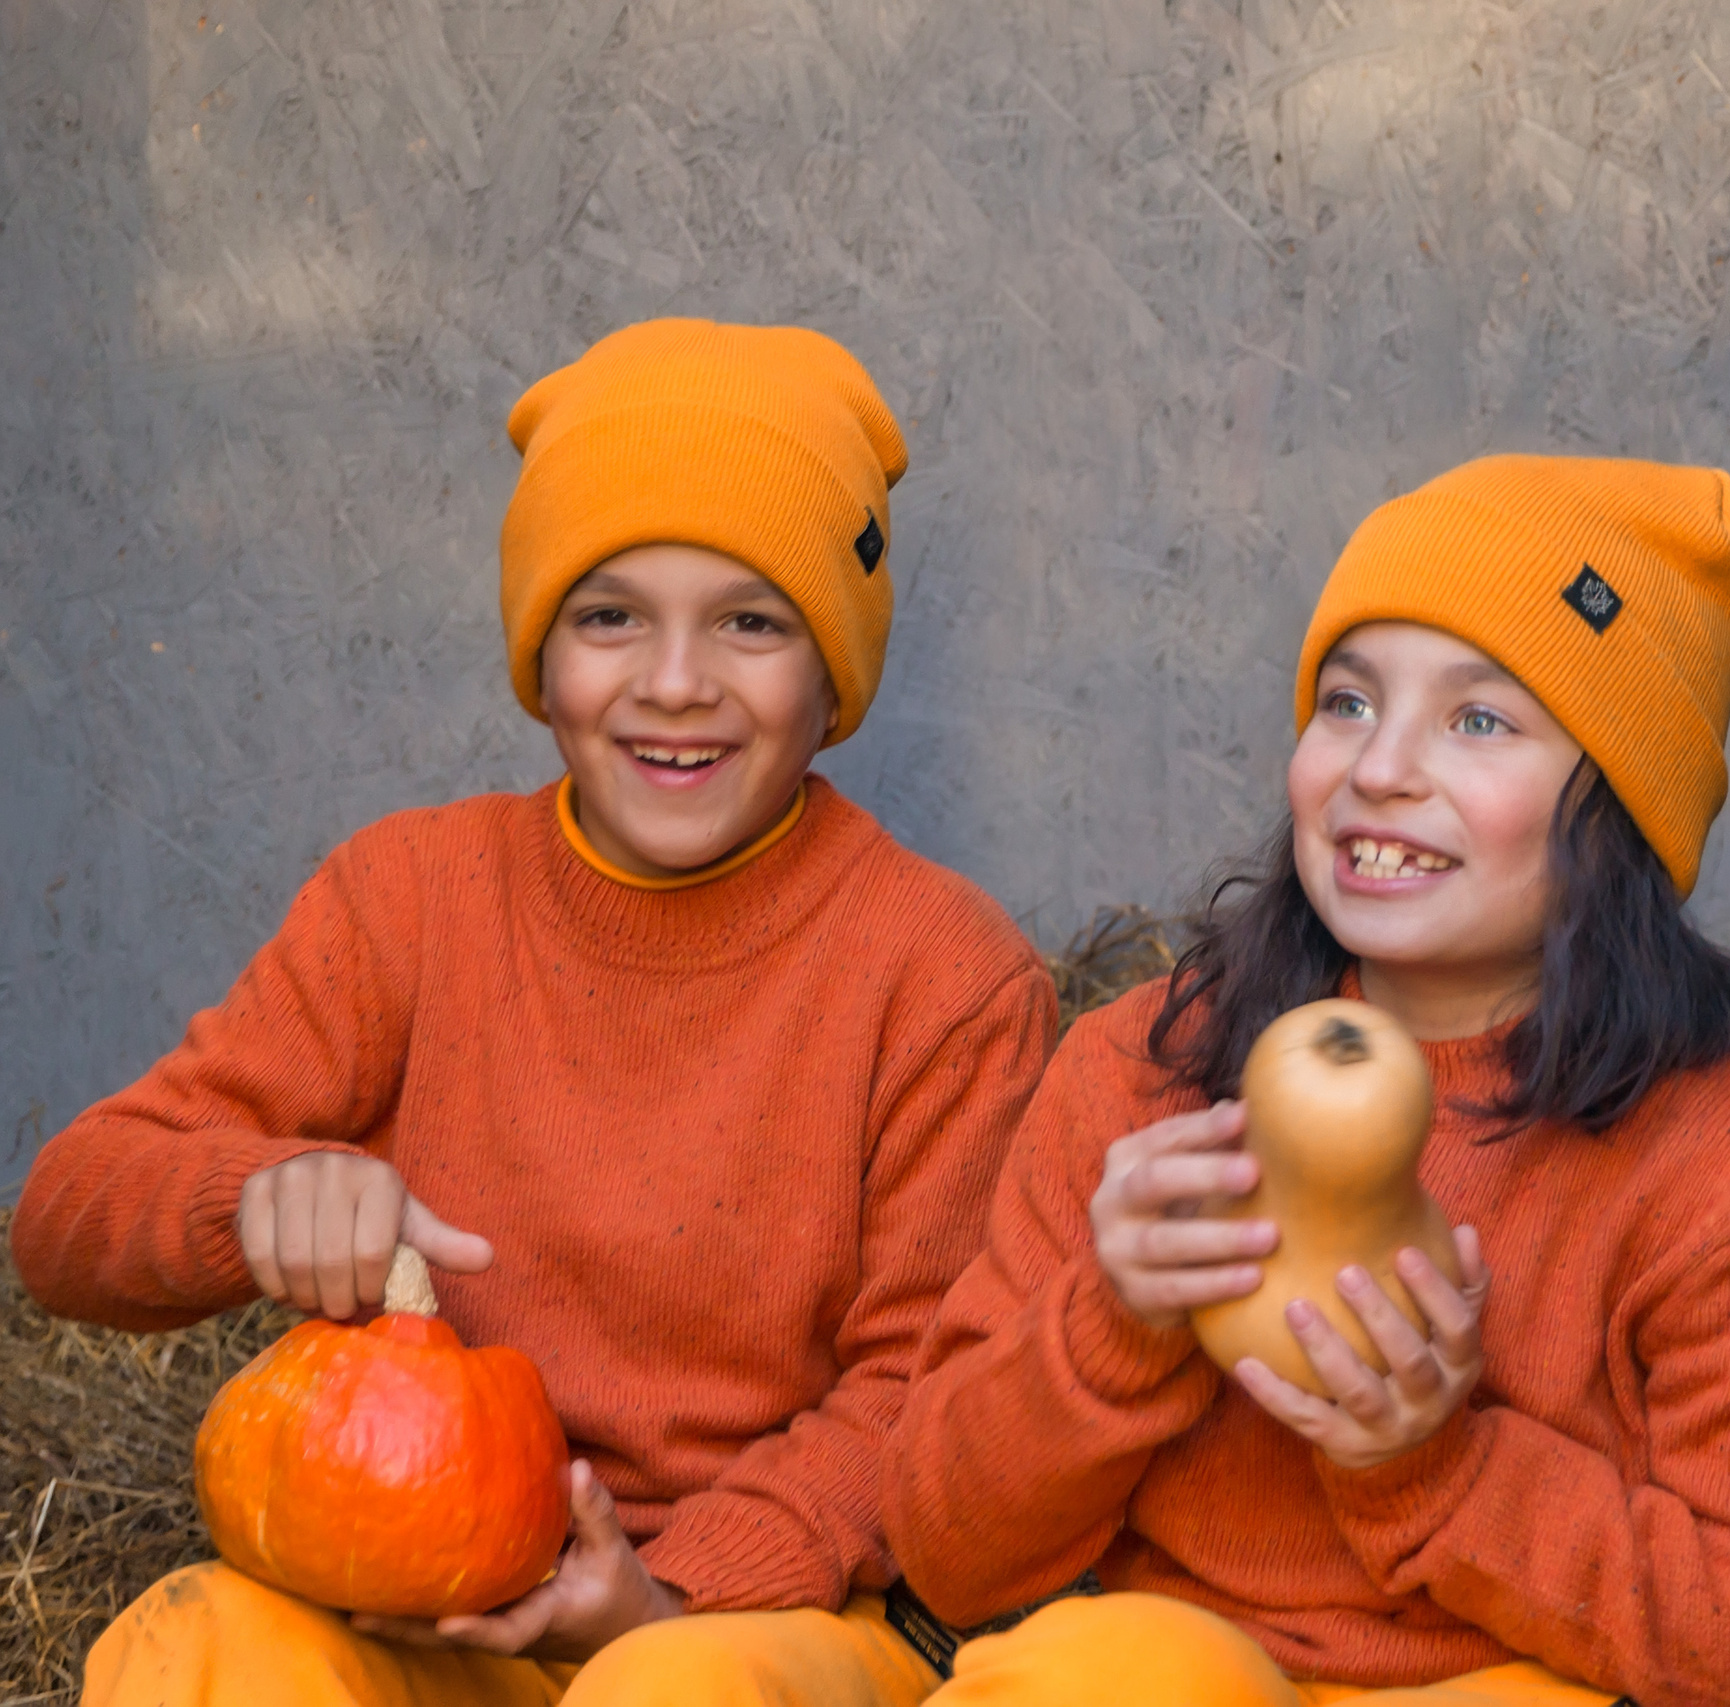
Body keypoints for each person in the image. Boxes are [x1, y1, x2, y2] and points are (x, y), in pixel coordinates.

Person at [9, 319, 1056, 1707]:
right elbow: (66, 1220)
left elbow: (921, 1394)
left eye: (752, 619)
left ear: (835, 670)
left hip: (767, 1615)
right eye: (609, 613)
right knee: (205, 1637)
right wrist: (251, 1191)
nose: (674, 680)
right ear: (541, 650)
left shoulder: (945, 974)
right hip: (433, 1596)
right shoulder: (410, 897)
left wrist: (669, 1596)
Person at [884, 455, 1730, 1707]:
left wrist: (1440, 1466)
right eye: (1349, 703)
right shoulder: (1146, 1075)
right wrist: (1112, 1325)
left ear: (1621, 807)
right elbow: (941, 1553)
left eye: (1479, 720)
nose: (1378, 769)